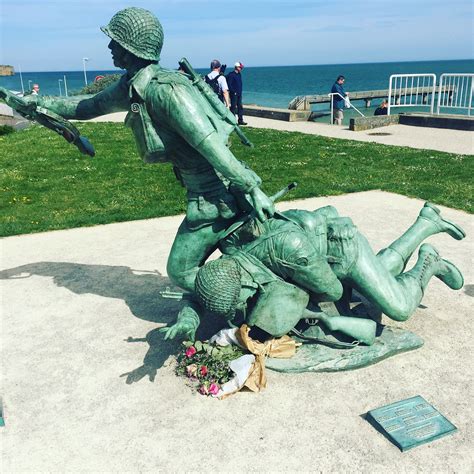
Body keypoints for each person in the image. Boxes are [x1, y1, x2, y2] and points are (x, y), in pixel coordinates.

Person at [23, 7, 275, 296]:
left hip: (219, 195)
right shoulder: (132, 88)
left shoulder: (165, 91)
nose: (109, 47)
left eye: (114, 42)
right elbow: (88, 107)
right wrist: (40, 103)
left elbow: (212, 146)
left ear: (130, 49)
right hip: (206, 194)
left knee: (180, 272)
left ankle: (256, 298)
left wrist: (253, 188)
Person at [163, 202, 465, 341]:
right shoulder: (228, 268)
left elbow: (331, 290)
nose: (238, 310)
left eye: (240, 303)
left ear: (244, 285)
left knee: (398, 306)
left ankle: (429, 261)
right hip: (312, 264)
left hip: (340, 252)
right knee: (381, 274)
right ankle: (426, 222)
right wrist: (188, 320)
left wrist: (299, 310)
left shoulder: (287, 248)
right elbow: (199, 294)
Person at [226, 61, 247, 126]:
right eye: (240, 67)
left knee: (240, 107)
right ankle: (233, 121)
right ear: (236, 67)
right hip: (234, 94)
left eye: (241, 67)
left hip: (239, 94)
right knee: (233, 107)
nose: (241, 68)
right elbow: (229, 84)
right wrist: (233, 92)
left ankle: (240, 120)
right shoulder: (231, 74)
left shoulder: (239, 74)